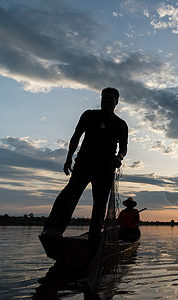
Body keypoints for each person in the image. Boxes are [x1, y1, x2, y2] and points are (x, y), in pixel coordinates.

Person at [42, 87, 128, 254]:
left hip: (106, 167)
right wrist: (69, 158)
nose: (107, 101)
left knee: (100, 204)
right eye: (104, 98)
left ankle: (94, 240)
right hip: (84, 163)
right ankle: (54, 229)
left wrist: (119, 158)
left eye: (111, 98)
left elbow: (123, 148)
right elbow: (76, 137)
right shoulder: (89, 115)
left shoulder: (120, 124)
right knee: (70, 194)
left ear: (117, 102)